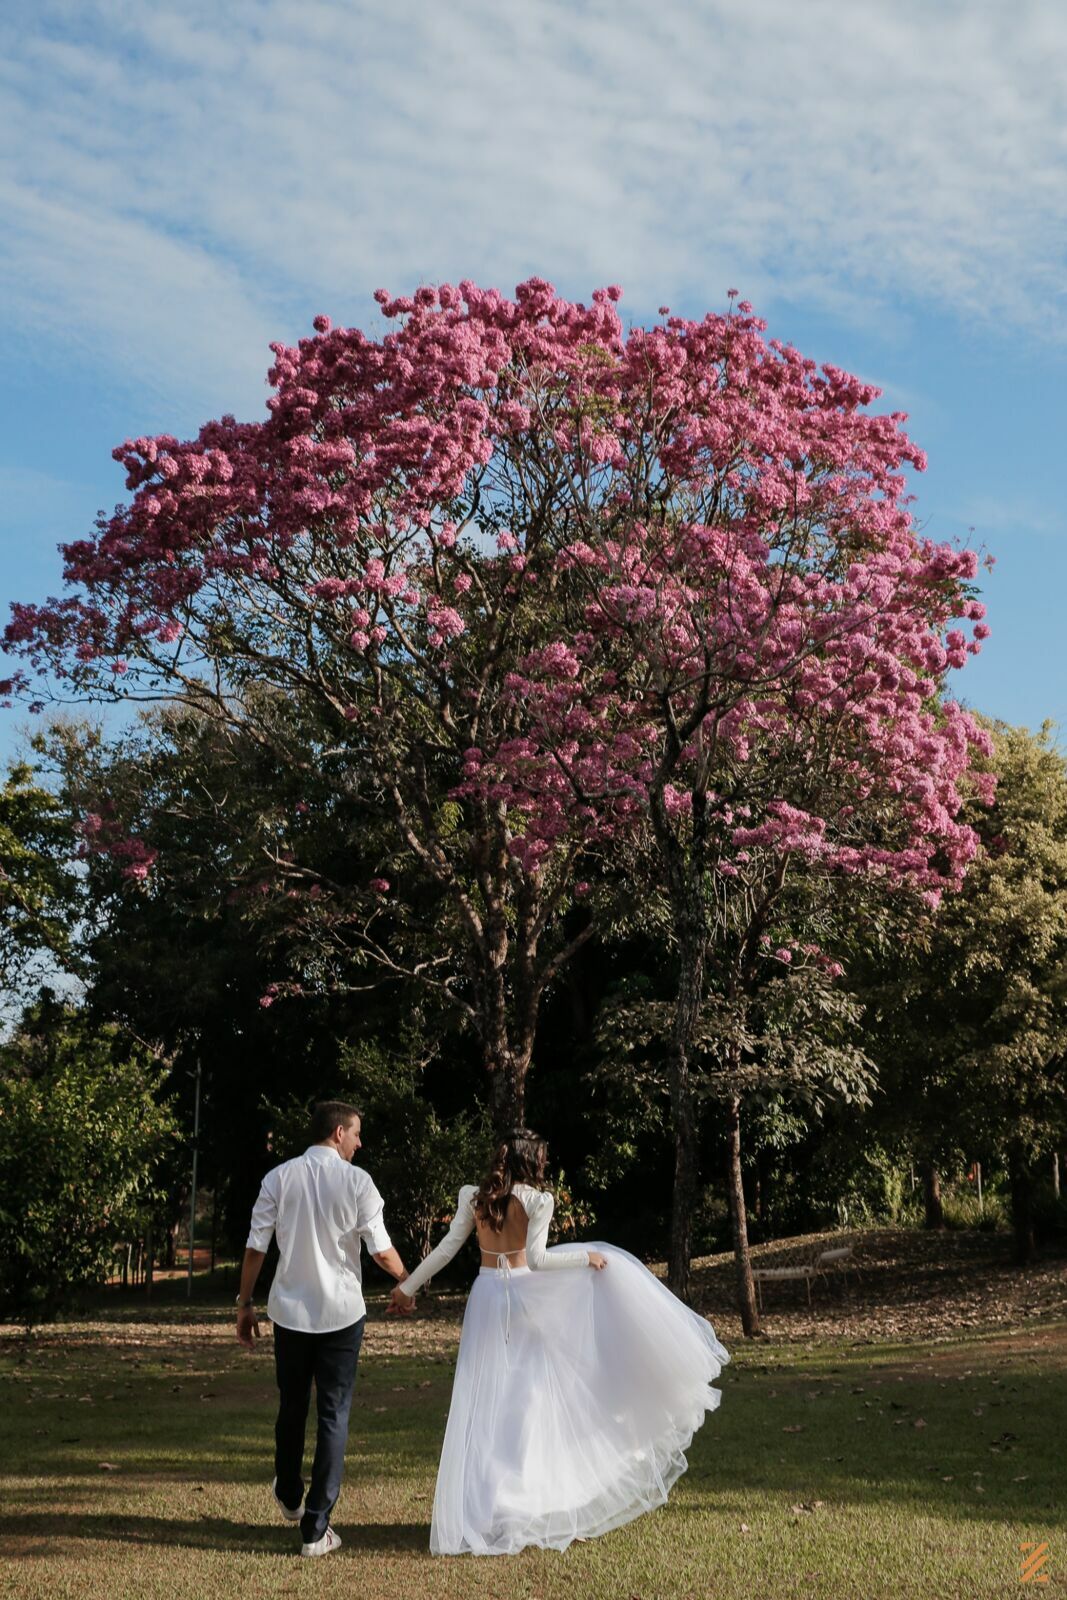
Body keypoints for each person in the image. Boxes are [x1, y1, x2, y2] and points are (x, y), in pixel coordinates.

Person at [387, 1126, 730, 1556]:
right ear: (532, 1160)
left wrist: (408, 1287)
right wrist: (586, 1258)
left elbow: (445, 1250)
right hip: (527, 1301)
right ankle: (521, 1505)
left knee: (487, 1401)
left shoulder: (474, 1196)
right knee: (527, 1401)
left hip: (487, 1299)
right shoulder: (537, 1200)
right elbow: (538, 1260)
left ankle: (487, 1509)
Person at [237, 1100, 411, 1557]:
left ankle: (290, 1493)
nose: (359, 1142)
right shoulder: (358, 1182)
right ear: (338, 1133)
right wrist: (408, 1282)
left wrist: (244, 1303)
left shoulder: (278, 1177)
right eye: (356, 1134)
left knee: (293, 1404)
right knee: (334, 1413)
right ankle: (316, 1528)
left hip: (291, 1314)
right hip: (341, 1315)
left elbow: (256, 1246)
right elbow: (380, 1249)